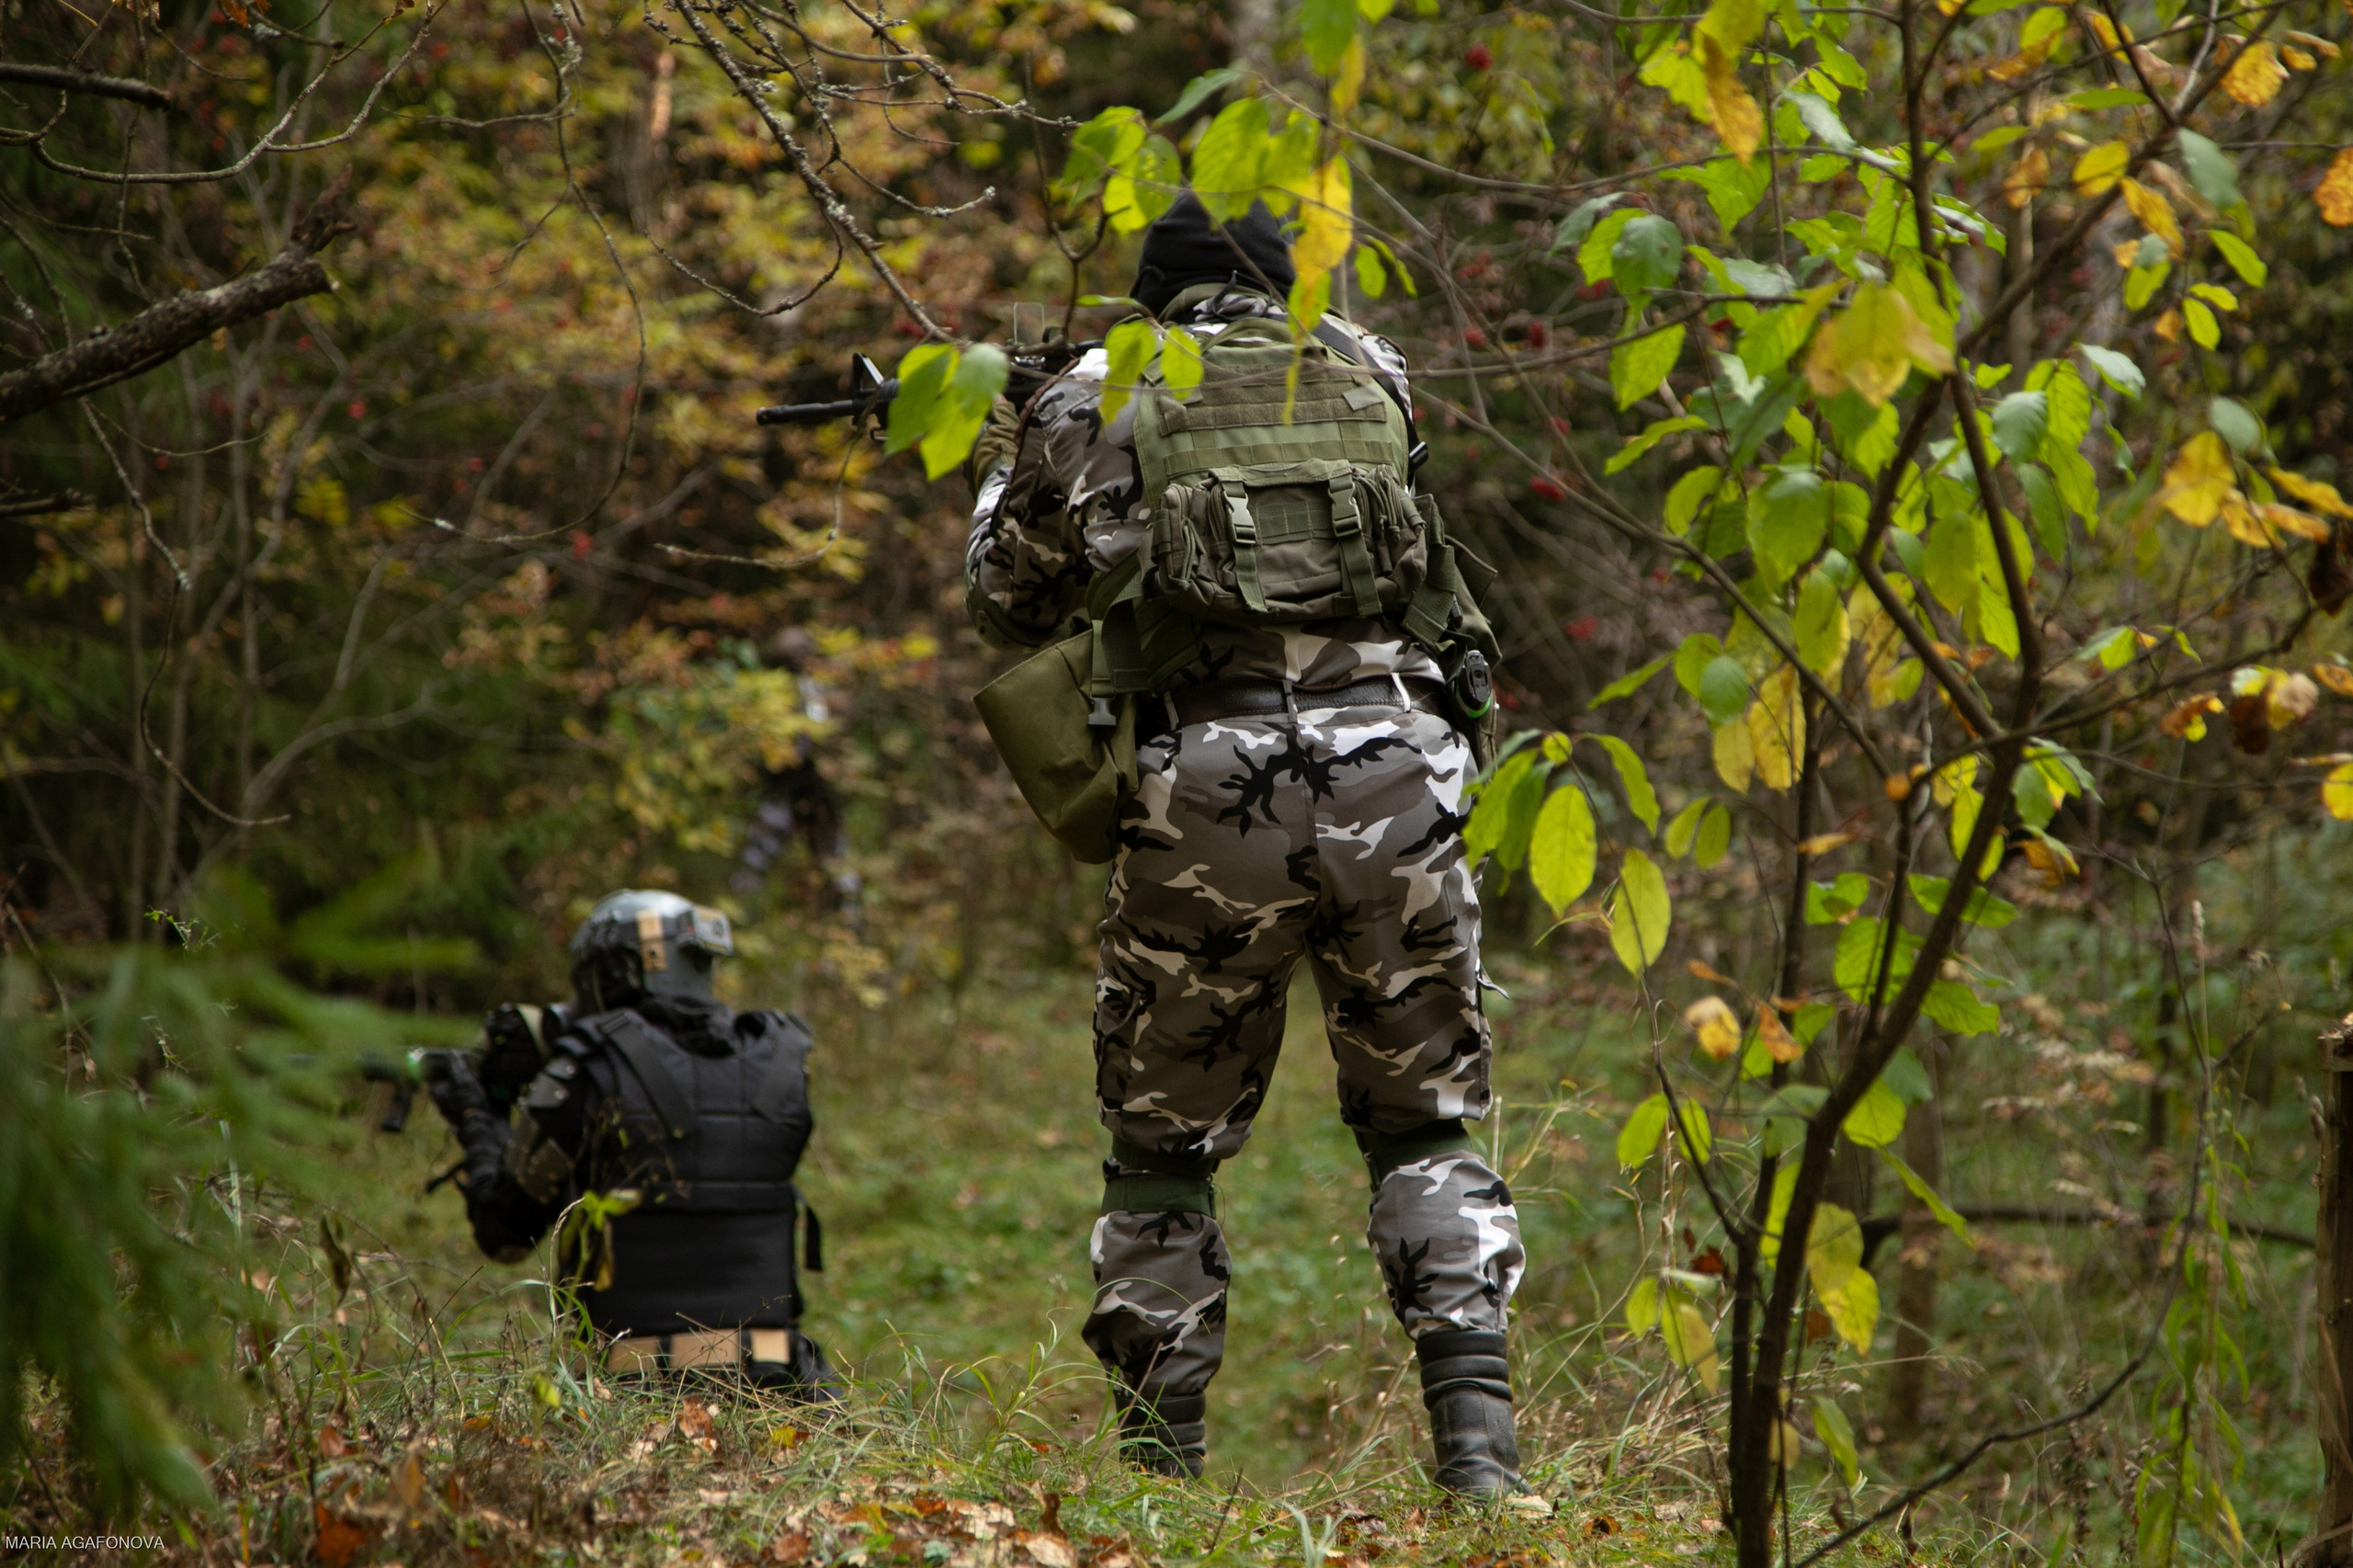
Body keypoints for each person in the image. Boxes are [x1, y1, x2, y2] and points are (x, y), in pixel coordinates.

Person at [963, 194, 1528, 1494]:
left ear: (1153, 291)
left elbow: (1007, 601)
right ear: (1282, 281)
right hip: (1403, 775)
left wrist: (1006, 455)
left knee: (1162, 1144)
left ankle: (1164, 1477)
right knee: (1427, 1123)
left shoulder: (1096, 391)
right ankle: (1481, 1452)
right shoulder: (1365, 363)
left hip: (1205, 796)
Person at [426, 889, 835, 1396]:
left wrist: (477, 1114)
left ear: (617, 973)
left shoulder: (592, 1062)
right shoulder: (779, 1057)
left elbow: (505, 1233)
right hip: (777, 1380)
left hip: (631, 1384)